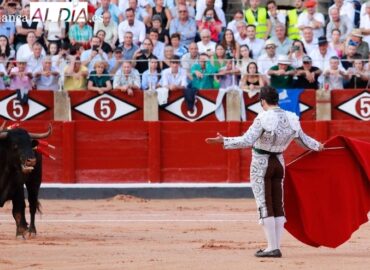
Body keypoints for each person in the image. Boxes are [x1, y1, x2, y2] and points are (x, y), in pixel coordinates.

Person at [206, 85, 323, 258]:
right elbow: (304, 141)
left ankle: (272, 247)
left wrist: (224, 141)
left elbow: (247, 140)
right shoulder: (291, 118)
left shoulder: (264, 117)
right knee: (277, 204)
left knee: (265, 204)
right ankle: (274, 245)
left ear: (262, 101)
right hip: (279, 163)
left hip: (261, 164)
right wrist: (318, 146)